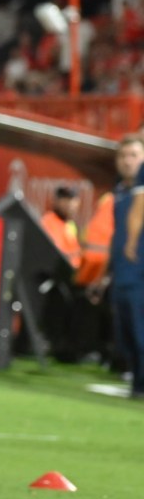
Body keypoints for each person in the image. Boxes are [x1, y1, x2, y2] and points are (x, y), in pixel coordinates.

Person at [114, 135, 144, 398]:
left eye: (133, 155)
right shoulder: (118, 193)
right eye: (123, 155)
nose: (128, 161)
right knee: (127, 333)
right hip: (123, 272)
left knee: (139, 329)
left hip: (139, 270)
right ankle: (137, 384)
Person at [41, 186, 83, 269]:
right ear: (56, 201)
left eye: (72, 200)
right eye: (65, 199)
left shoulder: (70, 224)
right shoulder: (48, 221)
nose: (69, 204)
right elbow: (55, 253)